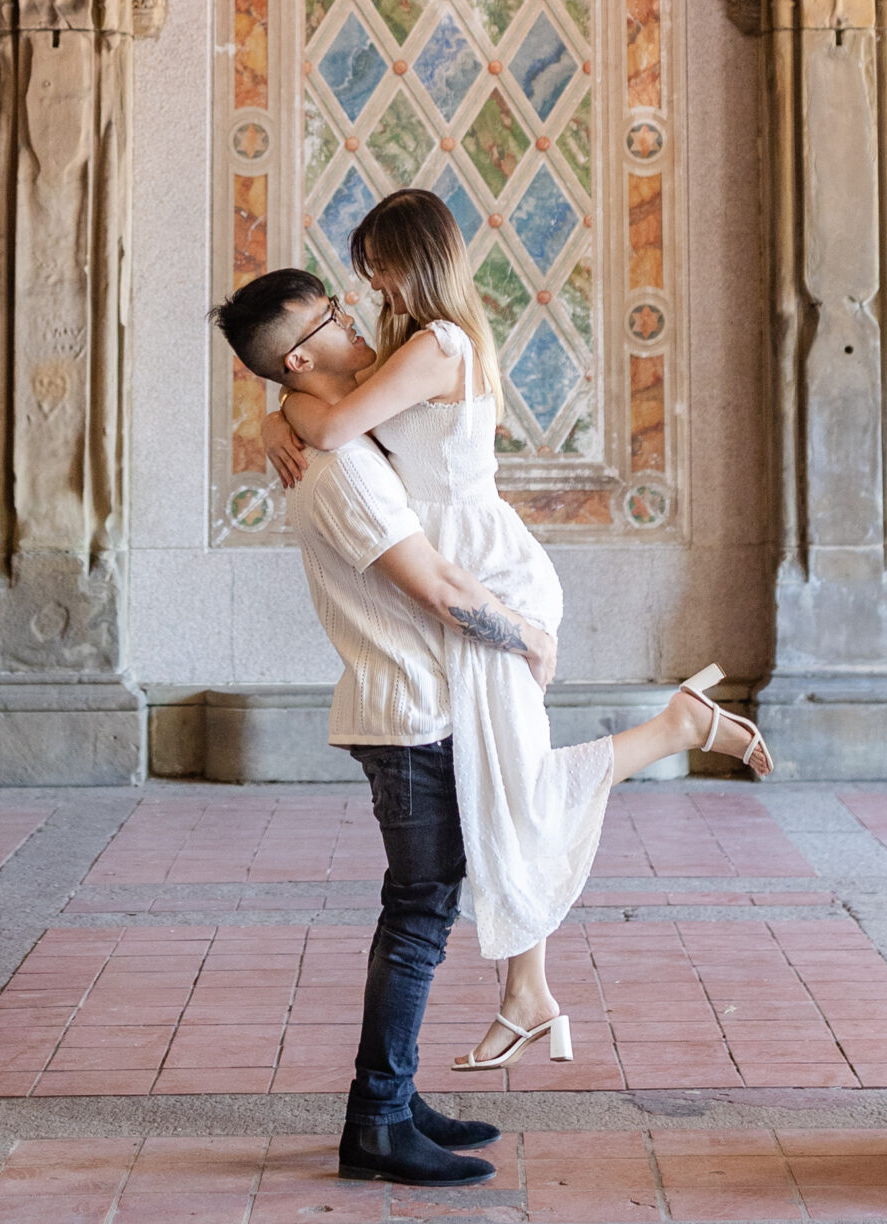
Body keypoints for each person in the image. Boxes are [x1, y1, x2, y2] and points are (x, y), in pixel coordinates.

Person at [259, 189, 772, 1076]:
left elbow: (335, 422)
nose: (363, 283)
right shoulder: (411, 347)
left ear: (405, 260)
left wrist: (278, 414)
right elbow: (340, 411)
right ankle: (526, 995)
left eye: (371, 264)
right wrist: (275, 412)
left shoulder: (437, 345)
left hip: (485, 576)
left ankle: (679, 728)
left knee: (514, 787)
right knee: (506, 782)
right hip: (462, 570)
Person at [211, 266, 555, 1188]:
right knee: (417, 919)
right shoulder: (341, 469)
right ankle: (376, 1121)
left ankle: (395, 1101)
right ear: (299, 353)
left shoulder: (339, 436)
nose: (353, 318)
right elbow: (437, 588)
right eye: (331, 314)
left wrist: (273, 418)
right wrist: (529, 638)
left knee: (423, 912)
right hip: (408, 716)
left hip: (414, 707)